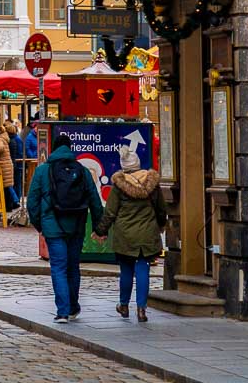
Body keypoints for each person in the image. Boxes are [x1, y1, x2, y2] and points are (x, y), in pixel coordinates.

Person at [27, 132, 105, 322]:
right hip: (77, 225)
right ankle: (72, 307)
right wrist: (99, 227)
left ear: (53, 148)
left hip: (53, 226)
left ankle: (62, 311)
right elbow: (95, 200)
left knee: (59, 268)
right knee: (73, 267)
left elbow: (32, 202)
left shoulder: (43, 171)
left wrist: (40, 225)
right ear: (70, 149)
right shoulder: (82, 170)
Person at [99, 147, 167, 322]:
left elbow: (110, 212)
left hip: (125, 234)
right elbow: (161, 210)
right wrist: (160, 225)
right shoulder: (152, 183)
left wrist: (100, 230)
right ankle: (142, 309)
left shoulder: (119, 186)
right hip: (147, 233)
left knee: (126, 270)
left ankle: (123, 305)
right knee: (143, 268)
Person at [0, 120, 19, 211]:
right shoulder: (5, 137)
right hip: (7, 163)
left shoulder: (0, 138)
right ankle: (9, 205)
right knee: (7, 186)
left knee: (5, 187)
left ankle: (7, 206)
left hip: (3, 164)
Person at [8, 120, 25, 202]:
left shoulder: (15, 140)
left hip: (17, 163)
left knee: (17, 182)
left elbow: (20, 152)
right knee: (17, 182)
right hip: (18, 163)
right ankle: (17, 198)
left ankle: (16, 199)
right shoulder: (17, 138)